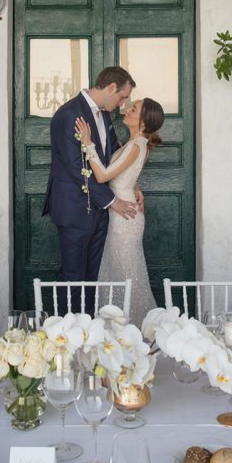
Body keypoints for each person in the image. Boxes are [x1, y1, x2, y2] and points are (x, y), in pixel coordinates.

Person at [42, 66, 140, 315]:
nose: (122, 103)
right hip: (74, 210)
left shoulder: (104, 115)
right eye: (122, 96)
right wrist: (112, 201)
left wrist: (132, 182)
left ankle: (89, 332)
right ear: (110, 88)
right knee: (73, 276)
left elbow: (112, 155)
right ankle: (67, 335)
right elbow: (76, 167)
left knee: (93, 276)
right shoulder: (68, 115)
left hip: (98, 212)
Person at [73, 97, 164, 325]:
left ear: (143, 121)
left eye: (134, 109)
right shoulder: (134, 144)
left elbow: (103, 176)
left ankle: (137, 329)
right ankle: (121, 328)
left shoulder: (135, 146)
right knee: (120, 275)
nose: (128, 109)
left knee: (127, 278)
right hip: (121, 213)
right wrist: (135, 186)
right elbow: (124, 176)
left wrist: (87, 142)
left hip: (125, 219)